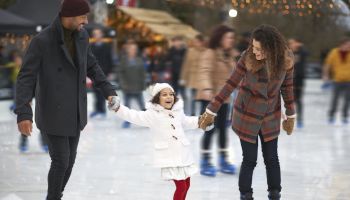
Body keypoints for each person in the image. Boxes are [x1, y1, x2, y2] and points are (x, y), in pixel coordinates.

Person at [14, 0, 119, 199]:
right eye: (83, 17)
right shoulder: (42, 40)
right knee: (61, 161)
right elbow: (26, 77)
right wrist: (23, 112)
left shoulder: (82, 36)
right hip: (53, 110)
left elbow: (92, 66)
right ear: (69, 16)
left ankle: (56, 195)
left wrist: (108, 90)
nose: (86, 21)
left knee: (69, 161)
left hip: (75, 110)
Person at [198, 24, 296, 200]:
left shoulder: (285, 60)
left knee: (272, 158)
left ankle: (275, 194)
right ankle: (246, 195)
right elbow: (230, 84)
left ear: (271, 47)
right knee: (249, 159)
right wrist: (211, 110)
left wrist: (291, 114)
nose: (255, 51)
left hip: (270, 116)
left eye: (259, 48)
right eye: (253, 46)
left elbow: (287, 89)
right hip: (247, 115)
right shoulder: (247, 57)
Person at [109, 83, 211, 200]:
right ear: (157, 98)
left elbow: (186, 122)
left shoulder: (177, 111)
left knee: (187, 185)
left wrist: (200, 121)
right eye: (164, 95)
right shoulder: (152, 115)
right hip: (169, 155)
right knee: (181, 186)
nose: (169, 97)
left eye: (171, 94)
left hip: (183, 153)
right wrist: (118, 108)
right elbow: (133, 115)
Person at [196, 25, 236, 176]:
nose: (231, 40)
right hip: (209, 99)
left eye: (232, 38)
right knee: (210, 130)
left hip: (224, 99)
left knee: (223, 131)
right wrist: (206, 88)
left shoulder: (229, 55)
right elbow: (204, 72)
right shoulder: (210, 53)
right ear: (220, 38)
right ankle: (205, 161)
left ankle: (223, 160)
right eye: (228, 37)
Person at [117, 43, 147, 128]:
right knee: (127, 105)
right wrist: (123, 84)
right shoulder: (124, 60)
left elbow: (143, 73)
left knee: (142, 105)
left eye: (134, 49)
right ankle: (127, 121)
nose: (133, 51)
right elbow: (120, 73)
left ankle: (147, 121)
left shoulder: (139, 60)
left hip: (137, 86)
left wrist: (143, 84)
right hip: (127, 86)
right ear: (128, 50)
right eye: (131, 49)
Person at [322, 37, 350, 124]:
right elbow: (327, 64)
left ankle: (345, 116)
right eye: (347, 44)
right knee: (335, 99)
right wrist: (325, 75)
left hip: (348, 80)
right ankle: (331, 115)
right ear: (342, 44)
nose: (349, 46)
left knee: (347, 100)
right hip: (337, 80)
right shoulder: (334, 52)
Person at [90, 28, 114, 118]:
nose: (97, 36)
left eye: (98, 33)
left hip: (104, 72)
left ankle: (102, 110)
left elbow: (110, 59)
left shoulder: (107, 46)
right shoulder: (90, 46)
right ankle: (97, 109)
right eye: (95, 34)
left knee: (102, 91)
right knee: (95, 92)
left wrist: (111, 72)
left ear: (101, 35)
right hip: (93, 72)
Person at [180, 34, 207, 116]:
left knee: (202, 99)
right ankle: (192, 114)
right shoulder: (190, 51)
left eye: (197, 42)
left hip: (202, 79)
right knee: (192, 98)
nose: (195, 43)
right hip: (192, 78)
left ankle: (202, 115)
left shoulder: (206, 51)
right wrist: (183, 78)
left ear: (201, 42)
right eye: (194, 41)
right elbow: (186, 65)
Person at [288, 38, 308, 128]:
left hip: (299, 79)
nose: (292, 45)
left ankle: (300, 120)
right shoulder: (287, 53)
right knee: (289, 101)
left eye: (294, 43)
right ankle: (289, 120)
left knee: (299, 100)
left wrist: (301, 46)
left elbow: (307, 53)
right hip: (289, 79)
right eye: (290, 43)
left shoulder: (302, 53)